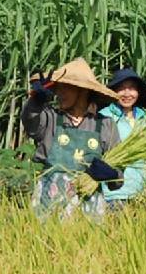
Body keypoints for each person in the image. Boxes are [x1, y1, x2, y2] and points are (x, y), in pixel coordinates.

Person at [22, 57, 123, 218]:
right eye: (58, 89)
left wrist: (111, 174)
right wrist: (35, 101)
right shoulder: (51, 119)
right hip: (48, 205)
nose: (59, 94)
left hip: (88, 209)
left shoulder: (104, 125)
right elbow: (30, 121)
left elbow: (118, 178)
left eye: (65, 88)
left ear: (82, 91)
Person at [98, 67, 146, 206]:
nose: (127, 93)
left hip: (141, 190)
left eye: (132, 88)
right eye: (121, 88)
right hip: (115, 193)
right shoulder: (105, 116)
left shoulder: (143, 117)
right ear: (114, 91)